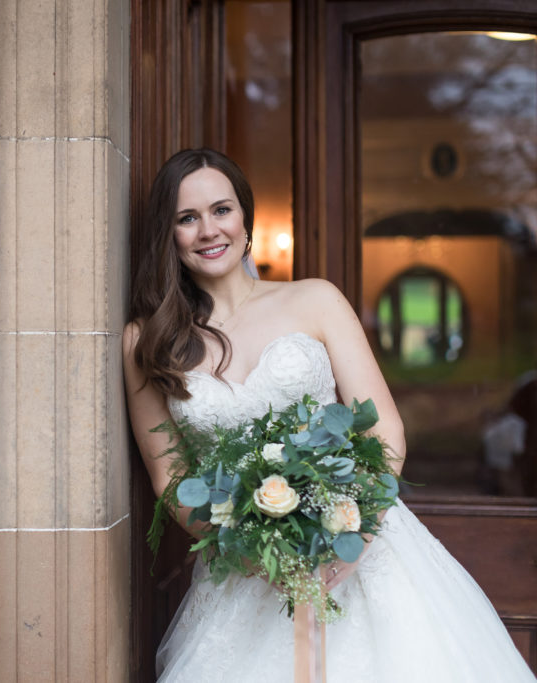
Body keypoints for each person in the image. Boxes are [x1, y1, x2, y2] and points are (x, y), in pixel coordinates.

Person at [123, 148, 536, 682]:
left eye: (221, 210)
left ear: (245, 218)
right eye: (187, 218)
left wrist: (351, 540)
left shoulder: (316, 300)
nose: (208, 230)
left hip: (360, 549)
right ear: (169, 234)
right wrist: (243, 545)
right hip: (244, 573)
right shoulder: (145, 341)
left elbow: (385, 429)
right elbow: (170, 475)